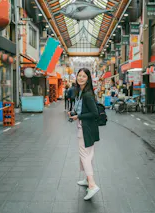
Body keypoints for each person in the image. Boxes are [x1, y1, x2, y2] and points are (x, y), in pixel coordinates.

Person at [68, 68, 100, 200]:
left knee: (84, 155)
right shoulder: (81, 92)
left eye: (84, 76)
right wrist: (75, 114)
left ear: (88, 79)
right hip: (87, 127)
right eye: (79, 75)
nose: (80, 78)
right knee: (89, 154)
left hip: (85, 128)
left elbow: (94, 113)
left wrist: (78, 116)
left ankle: (92, 185)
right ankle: (87, 180)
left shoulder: (87, 94)